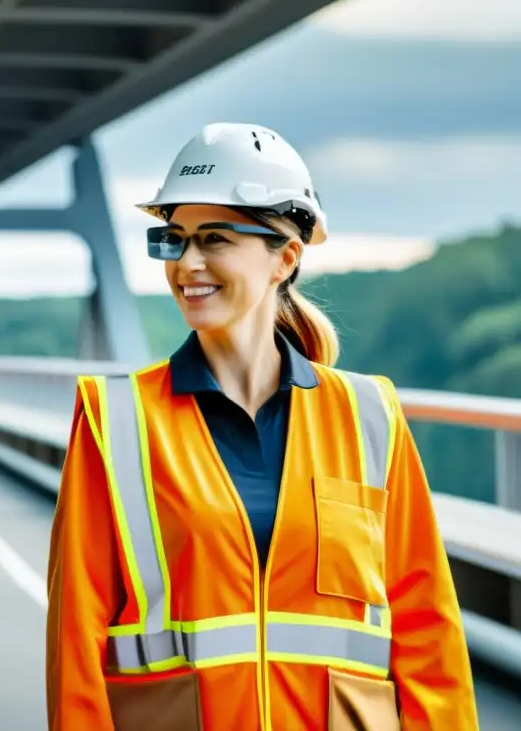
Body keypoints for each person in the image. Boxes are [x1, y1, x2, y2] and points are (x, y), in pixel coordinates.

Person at [45, 122, 478, 730]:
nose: (187, 263)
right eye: (175, 239)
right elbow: (77, 641)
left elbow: (428, 632)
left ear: (286, 257)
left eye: (215, 238)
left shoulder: (368, 416)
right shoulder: (117, 420)